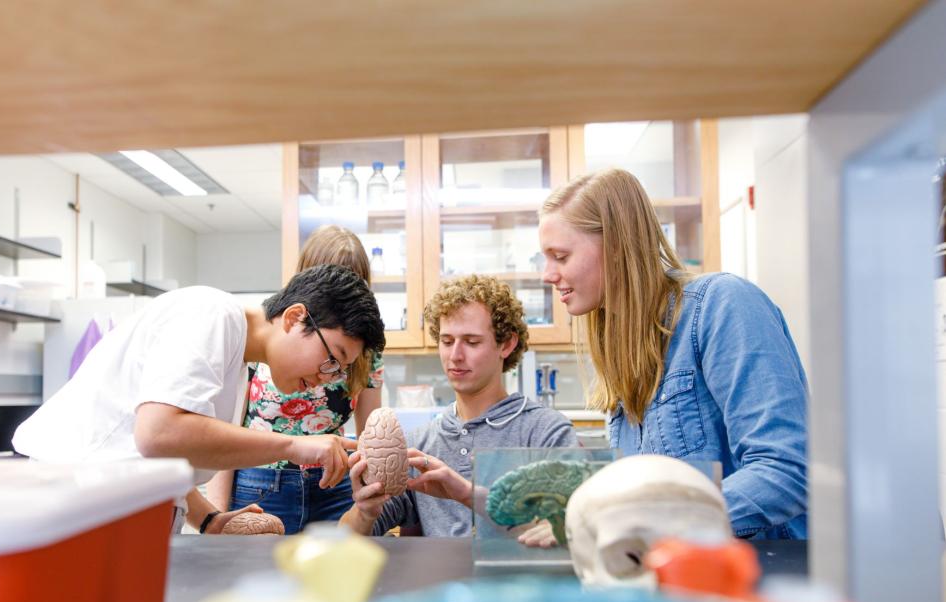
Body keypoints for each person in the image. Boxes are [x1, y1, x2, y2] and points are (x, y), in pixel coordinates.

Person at [13, 264, 387, 534]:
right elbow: (158, 433)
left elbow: (171, 451)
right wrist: (292, 445)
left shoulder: (239, 362)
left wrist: (208, 518)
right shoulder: (212, 314)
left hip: (117, 509)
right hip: (83, 507)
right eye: (331, 358)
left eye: (338, 370)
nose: (325, 379)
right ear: (293, 318)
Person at [537, 168, 808, 539]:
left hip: (756, 574)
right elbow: (646, 492)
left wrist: (644, 520)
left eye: (560, 256)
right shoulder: (623, 350)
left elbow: (787, 470)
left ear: (616, 247)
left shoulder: (723, 305)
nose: (547, 275)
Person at [339, 274, 578, 539]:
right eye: (447, 341)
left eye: (472, 342)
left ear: (506, 344)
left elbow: (575, 530)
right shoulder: (422, 444)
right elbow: (346, 540)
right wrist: (365, 511)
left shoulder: (545, 431)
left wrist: (466, 494)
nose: (455, 356)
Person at [204, 225, 385, 535]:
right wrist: (215, 517)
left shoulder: (363, 353)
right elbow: (224, 432)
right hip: (263, 484)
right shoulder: (265, 337)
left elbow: (372, 434)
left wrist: (375, 494)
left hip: (334, 485)